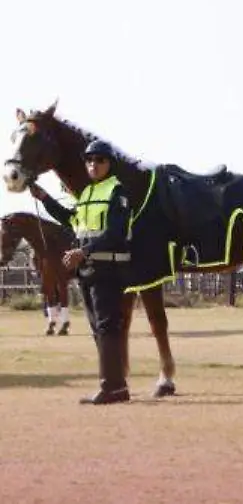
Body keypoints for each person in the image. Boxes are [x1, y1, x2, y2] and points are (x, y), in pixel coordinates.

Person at [29, 139, 133, 404]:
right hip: (87, 270)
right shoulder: (86, 194)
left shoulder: (117, 192)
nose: (93, 164)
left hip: (108, 268)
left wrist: (83, 252)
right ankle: (116, 386)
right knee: (98, 328)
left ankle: (111, 387)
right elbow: (71, 220)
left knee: (107, 326)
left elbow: (116, 232)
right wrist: (45, 198)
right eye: (89, 160)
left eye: (99, 160)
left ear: (109, 164)